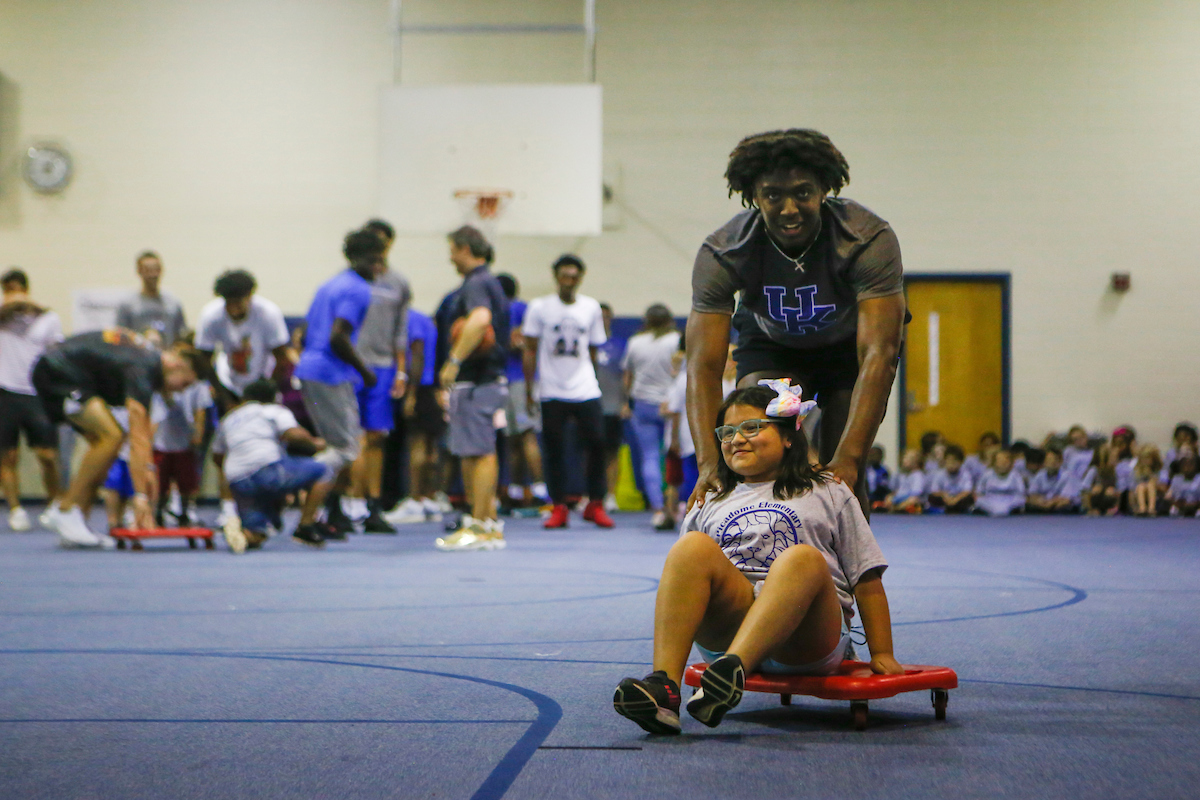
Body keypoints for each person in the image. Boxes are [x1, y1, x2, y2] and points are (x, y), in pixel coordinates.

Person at [612, 382, 901, 736]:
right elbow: (685, 585)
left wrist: (882, 651)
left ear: (789, 436)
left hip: (806, 639)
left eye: (751, 428)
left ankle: (734, 671)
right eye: (727, 432)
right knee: (690, 549)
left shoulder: (828, 489)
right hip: (729, 630)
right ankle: (664, 689)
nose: (737, 439)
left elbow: (866, 577)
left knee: (802, 560)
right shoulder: (713, 498)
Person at [685, 129, 906, 519]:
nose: (789, 208)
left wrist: (850, 460)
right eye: (773, 196)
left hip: (847, 348)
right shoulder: (724, 251)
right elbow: (703, 365)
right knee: (758, 433)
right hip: (772, 345)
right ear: (754, 197)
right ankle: (762, 556)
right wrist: (708, 464)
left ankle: (850, 573)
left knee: (846, 477)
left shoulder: (866, 239)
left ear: (824, 190)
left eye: (803, 193)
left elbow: (880, 354)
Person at [32, 328, 202, 546]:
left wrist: (147, 468)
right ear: (176, 365)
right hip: (58, 371)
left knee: (103, 447)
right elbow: (138, 435)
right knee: (111, 436)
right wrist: (140, 496)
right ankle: (64, 509)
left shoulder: (145, 359)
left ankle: (76, 522)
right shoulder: (146, 368)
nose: (179, 392)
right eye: (184, 384)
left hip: (66, 371)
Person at [293, 229, 385, 539]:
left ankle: (320, 514)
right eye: (376, 259)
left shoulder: (330, 284)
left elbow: (305, 333)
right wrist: (365, 372)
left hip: (309, 371)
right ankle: (300, 505)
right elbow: (338, 337)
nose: (379, 265)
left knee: (335, 444)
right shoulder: (358, 289)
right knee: (346, 449)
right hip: (329, 375)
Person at [195, 268, 292, 524]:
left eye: (240, 302)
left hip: (263, 384)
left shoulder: (268, 313)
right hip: (230, 385)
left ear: (250, 297)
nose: (234, 308)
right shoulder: (211, 315)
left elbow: (282, 358)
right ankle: (229, 508)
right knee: (229, 449)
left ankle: (269, 509)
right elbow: (203, 360)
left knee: (269, 449)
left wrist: (266, 394)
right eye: (229, 303)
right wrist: (223, 396)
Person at [523, 255, 613, 529]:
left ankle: (595, 503)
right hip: (551, 388)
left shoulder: (591, 307)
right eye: (564, 275)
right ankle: (559, 505)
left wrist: (595, 382)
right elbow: (529, 348)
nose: (568, 281)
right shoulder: (539, 308)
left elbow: (595, 348)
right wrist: (530, 388)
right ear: (556, 277)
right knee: (554, 449)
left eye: (574, 276)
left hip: (585, 387)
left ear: (580, 279)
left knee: (597, 442)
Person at [435, 226, 511, 551]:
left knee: (479, 452)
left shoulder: (477, 283)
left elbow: (479, 320)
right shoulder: (487, 282)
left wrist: (454, 360)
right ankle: (486, 521)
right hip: (484, 381)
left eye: (453, 249)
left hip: (478, 380)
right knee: (472, 452)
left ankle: (482, 527)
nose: (450, 257)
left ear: (465, 248)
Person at [211, 378, 335, 551]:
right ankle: (305, 526)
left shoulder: (230, 418)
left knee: (256, 535)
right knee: (324, 471)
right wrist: (315, 443)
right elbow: (293, 434)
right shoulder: (271, 410)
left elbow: (217, 456)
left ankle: (247, 533)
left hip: (238, 481)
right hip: (266, 470)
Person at [347, 219, 411, 533]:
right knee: (351, 436)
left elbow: (401, 331)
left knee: (376, 437)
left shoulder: (398, 283)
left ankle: (373, 504)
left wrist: (401, 371)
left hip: (383, 367)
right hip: (349, 366)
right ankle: (351, 500)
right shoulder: (348, 283)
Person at [0, 269, 63, 531]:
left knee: (47, 455)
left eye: (18, 289)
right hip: (5, 391)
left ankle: (54, 506)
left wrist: (33, 306)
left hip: (37, 393)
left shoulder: (47, 318)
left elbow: (57, 353)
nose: (15, 295)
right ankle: (15, 509)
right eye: (9, 290)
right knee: (8, 456)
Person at [623, 304, 681, 529]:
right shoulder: (675, 340)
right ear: (669, 320)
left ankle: (658, 508)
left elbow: (628, 376)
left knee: (649, 457)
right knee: (672, 455)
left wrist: (626, 402)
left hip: (643, 405)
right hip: (669, 405)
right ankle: (674, 506)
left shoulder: (635, 342)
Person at [387, 308, 446, 524]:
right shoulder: (425, 319)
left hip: (420, 388)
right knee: (431, 446)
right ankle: (429, 498)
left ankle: (414, 500)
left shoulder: (409, 319)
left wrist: (411, 394)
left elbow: (417, 354)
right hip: (431, 388)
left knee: (418, 444)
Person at [498, 273, 548, 509]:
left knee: (523, 435)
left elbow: (520, 342)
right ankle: (518, 490)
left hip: (518, 379)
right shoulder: (519, 308)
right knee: (515, 437)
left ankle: (539, 489)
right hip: (510, 380)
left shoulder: (515, 309)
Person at [150, 354, 212, 528]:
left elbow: (200, 411)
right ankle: (158, 512)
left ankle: (184, 512)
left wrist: (198, 434)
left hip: (183, 444)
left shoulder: (198, 388)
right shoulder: (160, 389)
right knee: (161, 483)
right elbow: (155, 413)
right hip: (162, 443)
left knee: (186, 482)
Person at [115, 251, 187, 348]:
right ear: (139, 271)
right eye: (148, 270)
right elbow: (120, 337)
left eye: (156, 270)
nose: (153, 274)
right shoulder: (127, 305)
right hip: (138, 358)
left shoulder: (173, 304)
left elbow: (181, 336)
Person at [595, 303, 628, 512]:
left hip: (612, 407)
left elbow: (626, 376)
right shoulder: (586, 344)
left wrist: (624, 402)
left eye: (606, 317)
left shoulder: (620, 345)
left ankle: (610, 495)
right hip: (590, 406)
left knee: (611, 452)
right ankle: (591, 495)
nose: (602, 320)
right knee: (589, 452)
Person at [1026, 447, 1082, 514]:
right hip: (1044, 504)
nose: (1052, 463)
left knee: (1063, 506)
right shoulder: (1040, 475)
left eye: (1055, 460)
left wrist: (1050, 503)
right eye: (1049, 460)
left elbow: (1066, 499)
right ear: (1044, 462)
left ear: (1060, 462)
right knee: (1029, 505)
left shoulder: (1069, 475)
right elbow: (1032, 495)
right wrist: (1041, 502)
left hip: (1062, 506)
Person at [972, 449, 1026, 516]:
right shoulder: (987, 474)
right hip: (990, 499)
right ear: (994, 463)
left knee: (1021, 501)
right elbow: (979, 492)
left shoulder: (1016, 475)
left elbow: (1021, 493)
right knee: (979, 501)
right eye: (999, 461)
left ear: (1011, 463)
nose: (1003, 463)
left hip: (1010, 500)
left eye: (1005, 461)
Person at [927, 444, 974, 513]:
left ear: (961, 462)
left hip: (958, 498)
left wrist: (955, 499)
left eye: (954, 461)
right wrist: (944, 495)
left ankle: (955, 509)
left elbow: (967, 491)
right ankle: (946, 509)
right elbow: (934, 490)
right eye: (948, 461)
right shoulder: (940, 474)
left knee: (969, 498)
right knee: (931, 498)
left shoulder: (965, 474)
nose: (951, 464)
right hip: (945, 498)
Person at [883, 448, 926, 513]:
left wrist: (902, 498)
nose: (904, 461)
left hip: (910, 498)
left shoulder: (918, 475)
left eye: (908, 459)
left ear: (916, 462)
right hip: (899, 498)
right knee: (888, 497)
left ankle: (897, 509)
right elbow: (894, 489)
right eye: (904, 458)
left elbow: (916, 492)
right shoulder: (901, 474)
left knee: (913, 500)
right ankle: (895, 508)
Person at [1129, 444, 1164, 517]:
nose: (1145, 461)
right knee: (1141, 486)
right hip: (1139, 494)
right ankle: (1142, 508)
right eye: (1143, 458)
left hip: (1157, 495)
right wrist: (1133, 506)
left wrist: (1153, 479)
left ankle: (1151, 508)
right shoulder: (1136, 471)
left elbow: (1163, 487)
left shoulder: (1160, 471)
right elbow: (1132, 489)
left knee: (1150, 485)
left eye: (1147, 458)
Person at [1165, 447, 1200, 517]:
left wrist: (1195, 504)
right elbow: (1168, 496)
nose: (1187, 467)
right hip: (1181, 505)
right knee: (1173, 512)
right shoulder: (1176, 479)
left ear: (1196, 466)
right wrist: (1177, 503)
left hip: (1196, 505)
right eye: (1184, 465)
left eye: (1190, 465)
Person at [864, 444, 891, 511]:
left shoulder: (883, 471)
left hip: (877, 498)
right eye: (871, 454)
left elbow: (884, 487)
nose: (873, 457)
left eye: (877, 455)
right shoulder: (863, 469)